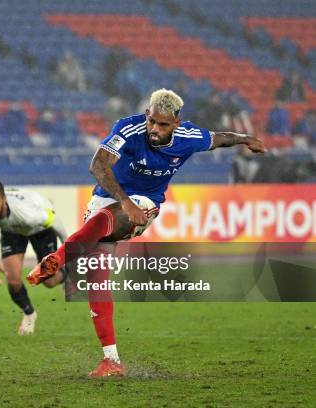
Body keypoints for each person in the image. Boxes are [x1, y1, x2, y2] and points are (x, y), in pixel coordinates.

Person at [27, 88, 266, 378]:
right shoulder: (128, 128)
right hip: (109, 198)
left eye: (163, 124)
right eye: (151, 121)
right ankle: (111, 361)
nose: (154, 128)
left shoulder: (189, 138)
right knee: (96, 280)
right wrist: (123, 201)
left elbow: (219, 138)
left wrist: (246, 140)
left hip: (144, 204)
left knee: (107, 221)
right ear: (146, 116)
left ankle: (57, 257)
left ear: (176, 123)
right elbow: (98, 164)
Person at [0, 180, 67, 335]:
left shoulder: (28, 214)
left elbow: (55, 221)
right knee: (13, 280)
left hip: (40, 229)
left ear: (3, 200)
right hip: (12, 231)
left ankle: (67, 276)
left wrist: (68, 251)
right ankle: (29, 314)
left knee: (48, 281)